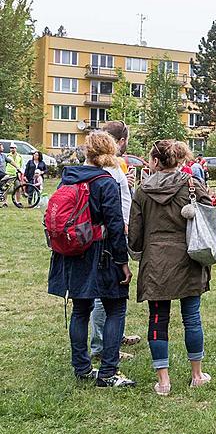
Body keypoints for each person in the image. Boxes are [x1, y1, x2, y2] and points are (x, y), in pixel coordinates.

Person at [47, 131, 135, 387]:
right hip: (102, 253)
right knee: (116, 307)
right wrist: (123, 261)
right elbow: (115, 225)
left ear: (87, 152)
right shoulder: (105, 182)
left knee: (80, 309)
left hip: (72, 253)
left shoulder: (68, 179)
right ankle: (109, 371)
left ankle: (82, 368)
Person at [129, 140, 213, 395]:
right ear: (178, 160)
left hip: (156, 260)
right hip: (188, 257)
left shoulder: (142, 190)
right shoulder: (192, 185)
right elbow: (208, 215)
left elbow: (135, 232)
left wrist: (136, 252)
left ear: (154, 161)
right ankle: (197, 375)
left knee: (157, 318)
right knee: (192, 317)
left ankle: (163, 381)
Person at [89, 120, 140, 362]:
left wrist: (126, 185)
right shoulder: (107, 167)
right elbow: (110, 205)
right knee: (105, 294)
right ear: (119, 141)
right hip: (109, 236)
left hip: (112, 232)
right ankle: (101, 345)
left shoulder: (108, 166)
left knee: (112, 293)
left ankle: (113, 336)